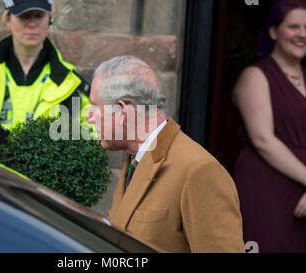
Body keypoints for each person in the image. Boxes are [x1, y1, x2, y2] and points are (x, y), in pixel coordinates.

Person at [86, 55, 245, 253]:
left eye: (95, 106)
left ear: (122, 112)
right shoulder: (135, 160)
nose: (89, 117)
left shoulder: (200, 171)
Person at [232, 0, 306, 252]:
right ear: (274, 31)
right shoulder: (255, 76)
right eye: (293, 26)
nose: (302, 34)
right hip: (267, 191)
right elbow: (263, 139)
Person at [0, 0, 91, 129]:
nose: (32, 24)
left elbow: (86, 146)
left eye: (38, 16)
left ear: (50, 19)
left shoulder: (70, 85)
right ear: (8, 19)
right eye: (24, 16)